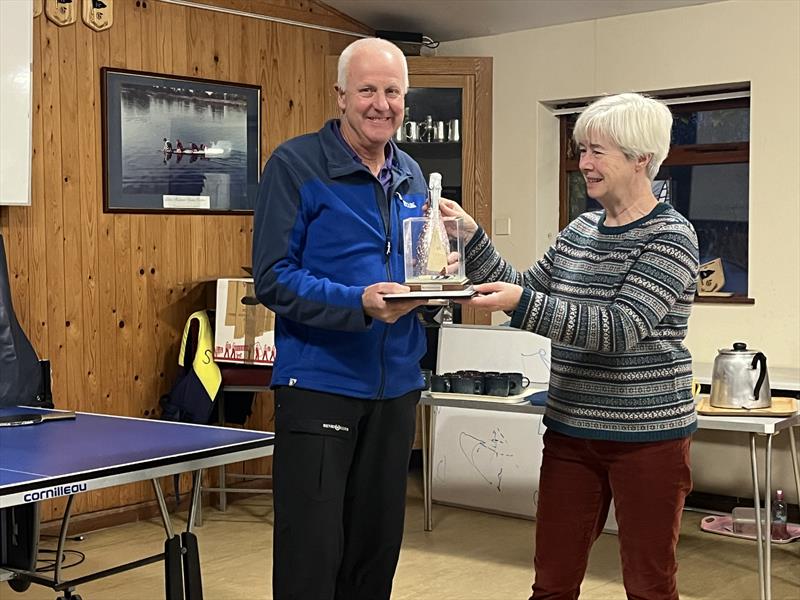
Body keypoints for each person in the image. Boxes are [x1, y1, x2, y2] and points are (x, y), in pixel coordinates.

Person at [440, 92, 699, 600]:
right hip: (570, 431)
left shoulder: (671, 237)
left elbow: (620, 327)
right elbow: (527, 288)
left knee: (649, 585)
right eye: (581, 150)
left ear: (640, 157)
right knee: (552, 583)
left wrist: (519, 304)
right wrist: (473, 240)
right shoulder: (580, 229)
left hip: (648, 439)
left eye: (596, 151)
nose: (583, 163)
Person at [252, 37, 430, 600]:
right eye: (368, 90)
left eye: (393, 91)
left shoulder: (412, 174)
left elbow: (419, 268)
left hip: (397, 386)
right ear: (340, 97)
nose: (382, 104)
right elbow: (274, 277)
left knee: (375, 551)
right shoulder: (294, 164)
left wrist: (437, 276)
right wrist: (357, 302)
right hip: (321, 385)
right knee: (313, 550)